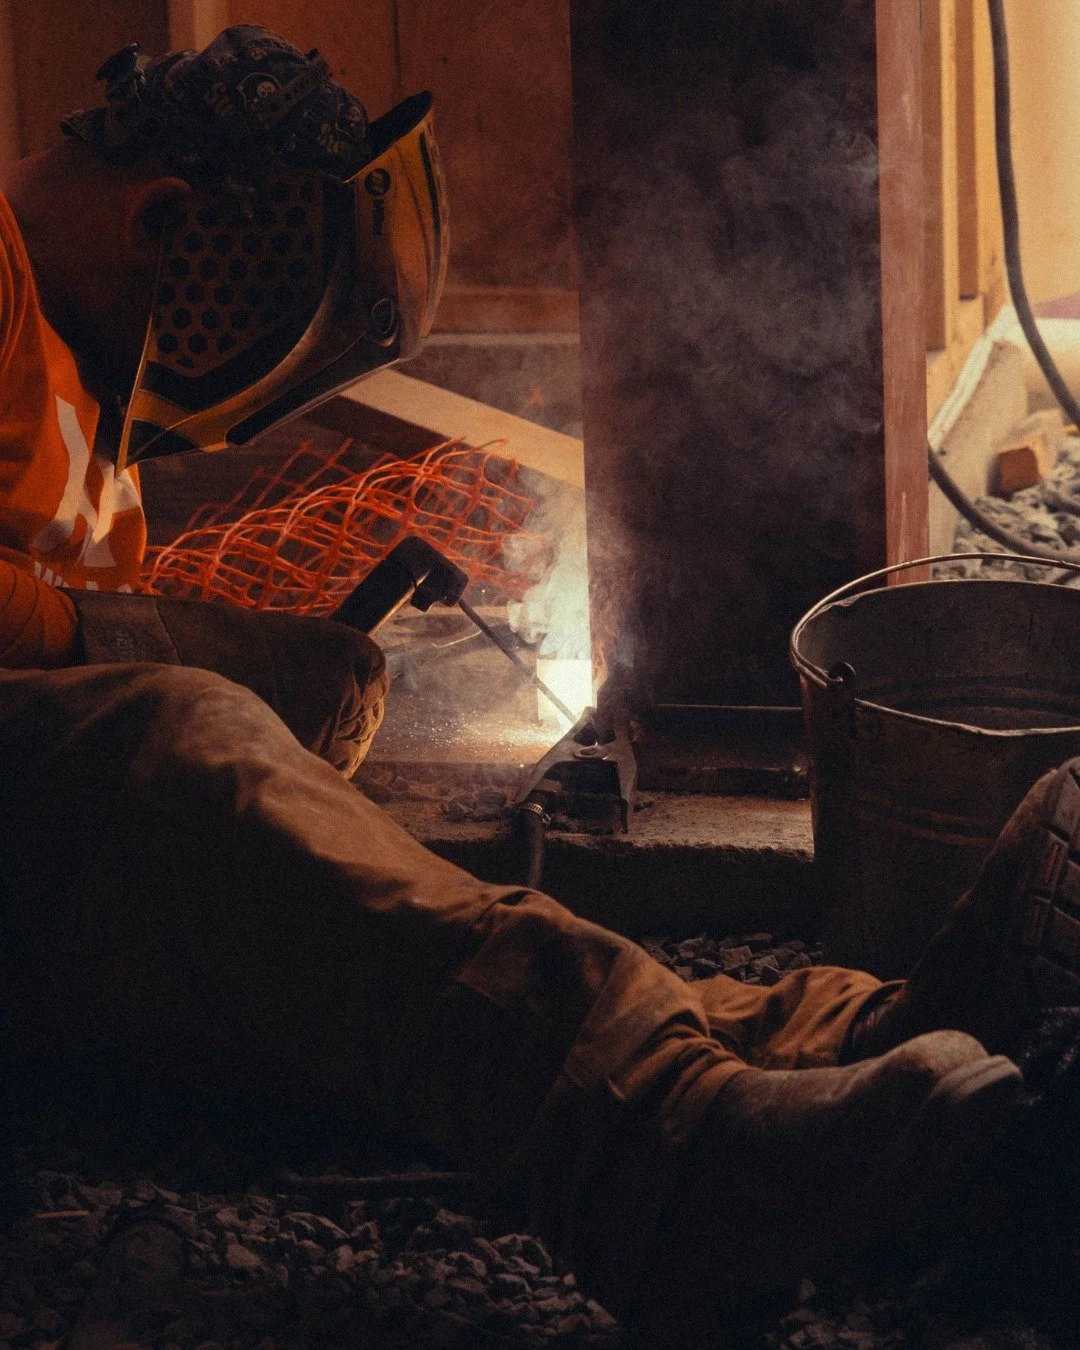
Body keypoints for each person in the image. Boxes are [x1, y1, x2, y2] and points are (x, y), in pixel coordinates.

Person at [0, 23, 1075, 1328]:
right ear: (176, 224)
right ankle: (671, 1166)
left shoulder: (80, 387)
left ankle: (837, 1034)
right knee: (180, 749)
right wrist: (157, 659)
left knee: (352, 922)